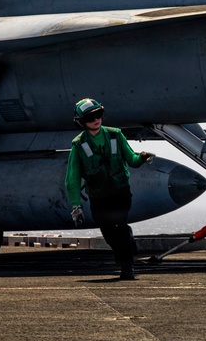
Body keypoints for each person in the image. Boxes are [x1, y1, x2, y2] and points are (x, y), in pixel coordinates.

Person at [65, 98, 154, 280]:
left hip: (120, 192)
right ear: (82, 122)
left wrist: (142, 158)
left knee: (118, 226)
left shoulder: (116, 135)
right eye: (90, 118)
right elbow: (72, 177)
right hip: (99, 196)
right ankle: (128, 242)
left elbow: (131, 159)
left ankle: (126, 267)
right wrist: (76, 205)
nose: (96, 120)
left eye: (98, 115)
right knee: (108, 231)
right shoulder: (78, 144)